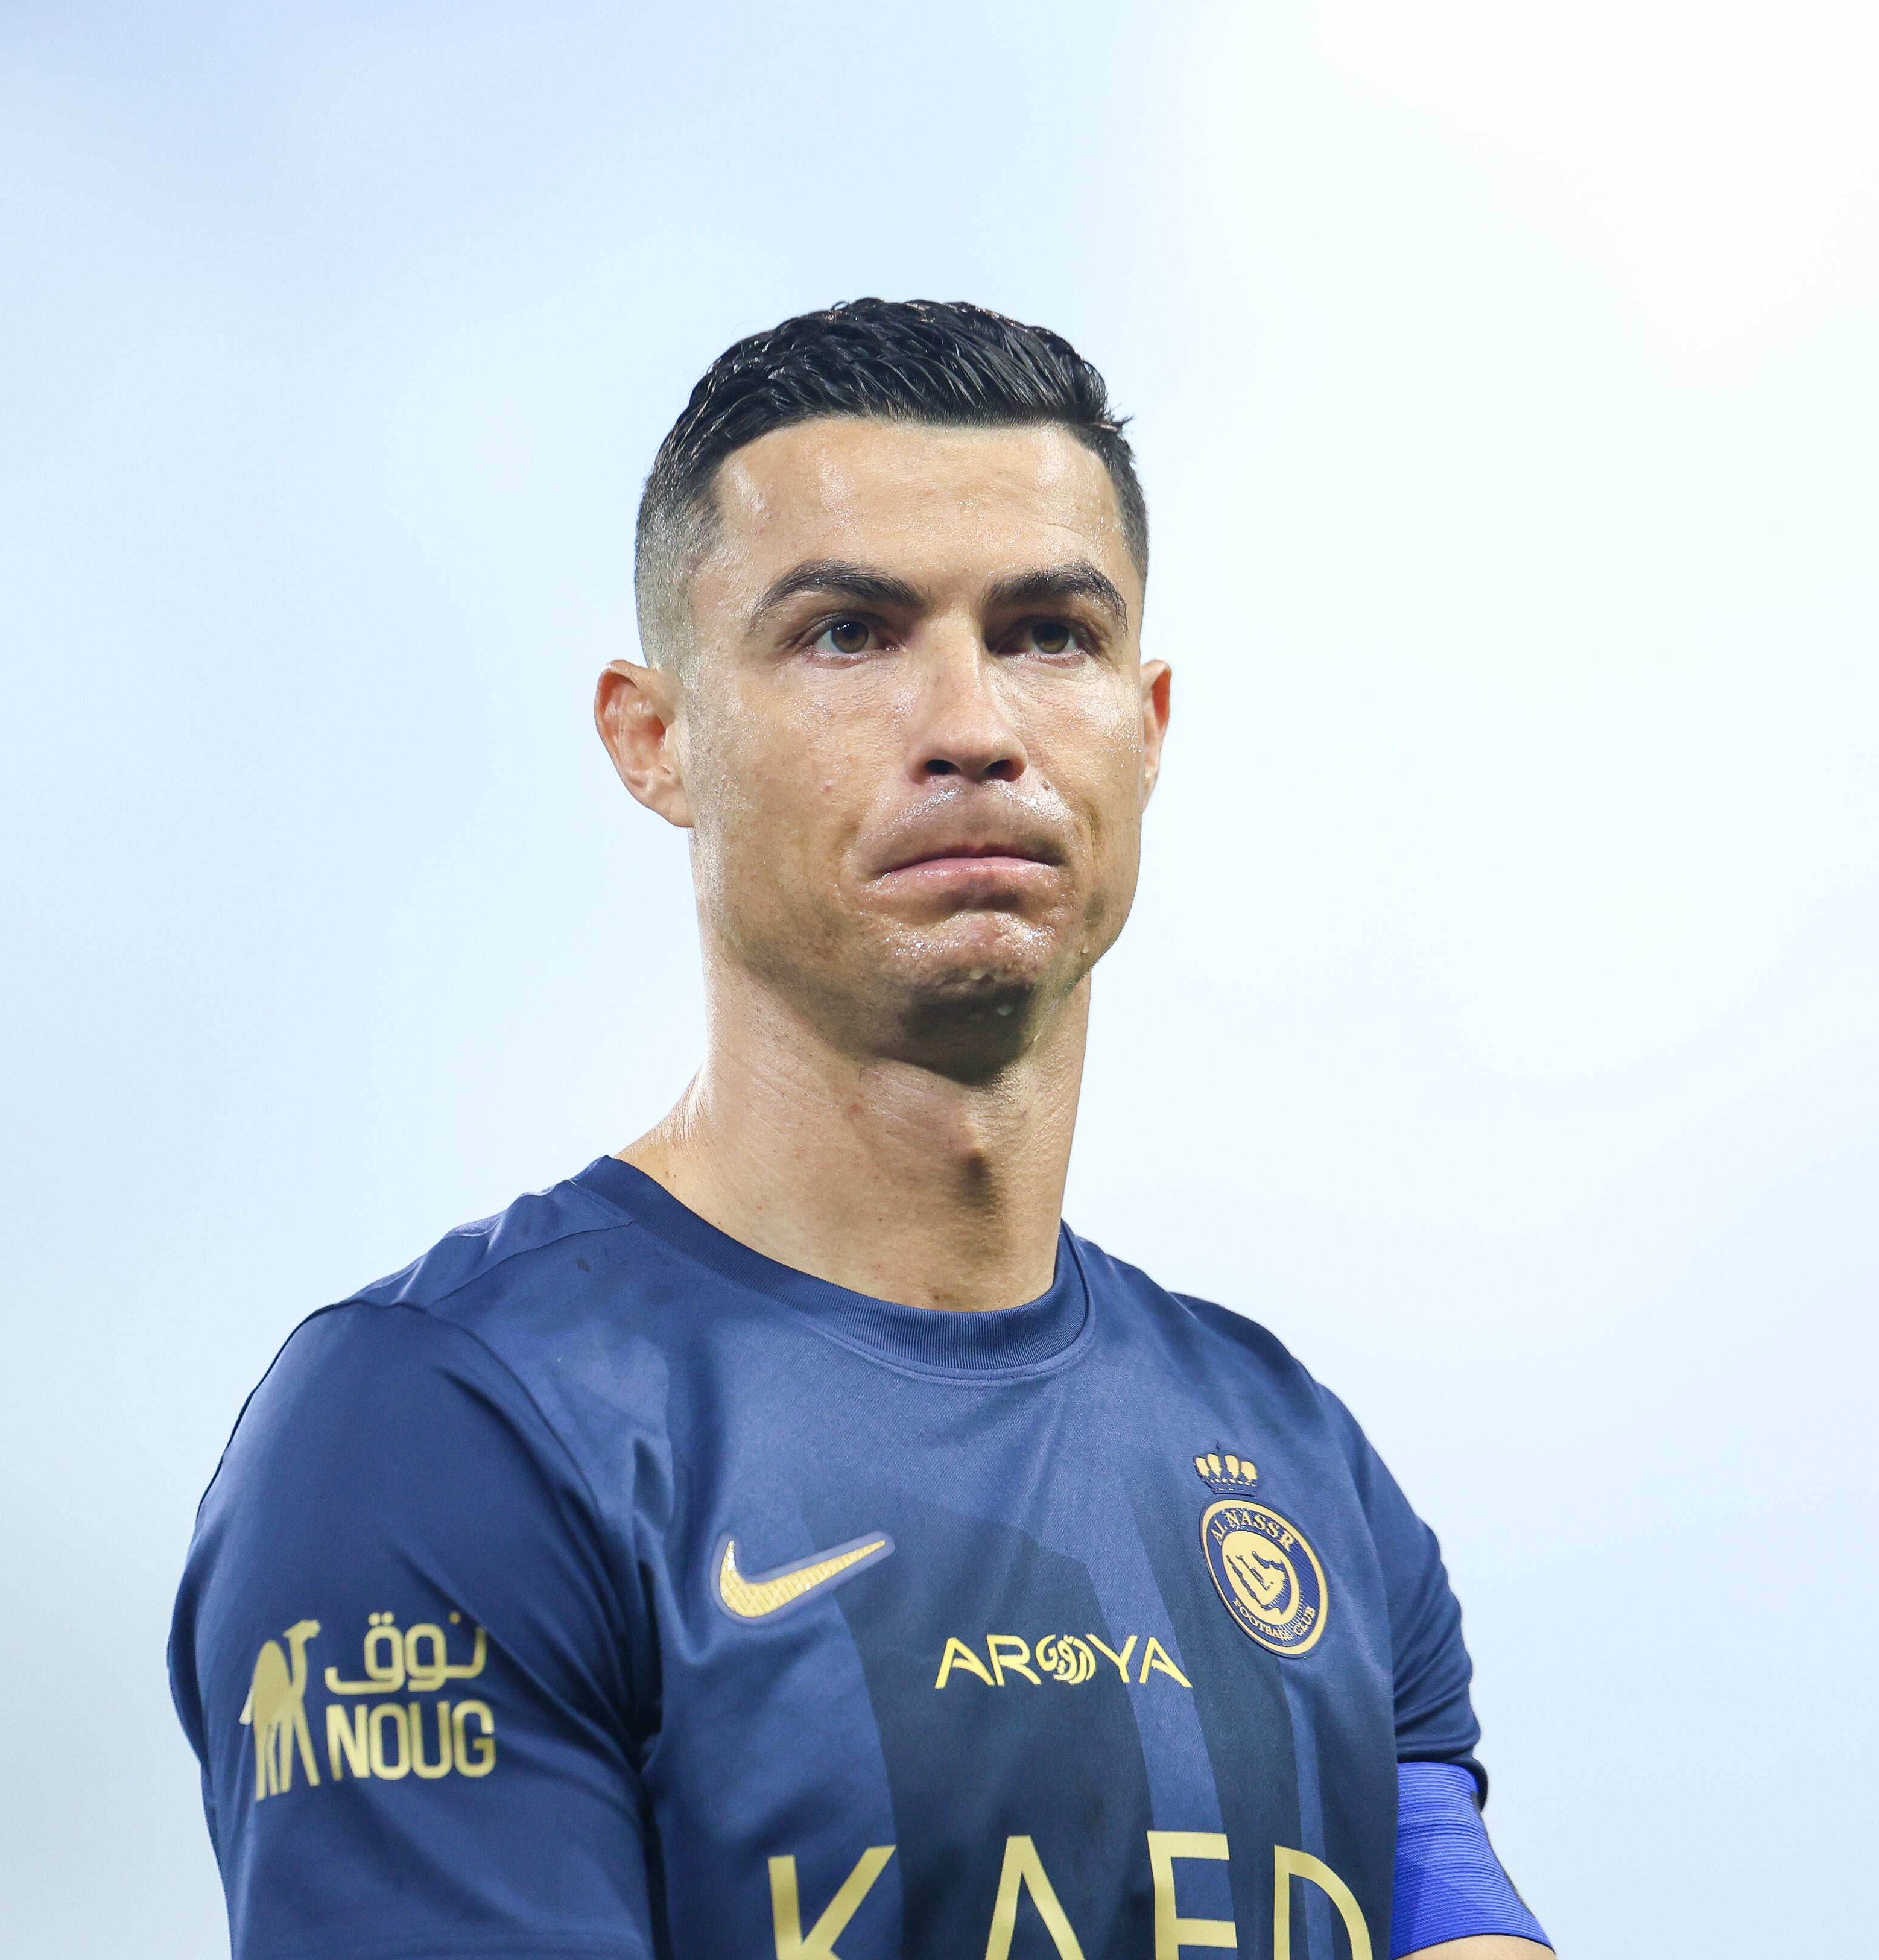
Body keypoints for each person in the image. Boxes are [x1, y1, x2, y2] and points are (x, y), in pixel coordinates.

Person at [169, 299, 1554, 1960]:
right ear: (654, 736)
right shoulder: (448, 1433)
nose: (973, 726)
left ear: (1149, 721)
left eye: (1049, 632)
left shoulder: (1300, 1469)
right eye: (848, 633)